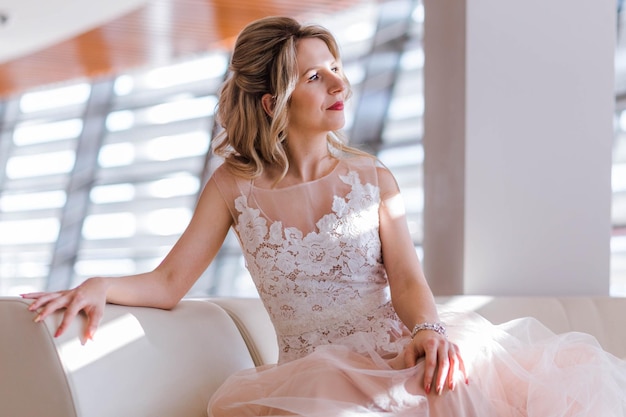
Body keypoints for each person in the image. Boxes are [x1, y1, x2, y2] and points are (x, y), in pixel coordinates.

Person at [22, 16, 626, 417]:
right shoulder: (234, 185)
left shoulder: (373, 179)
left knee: (450, 392)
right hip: (310, 376)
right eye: (315, 75)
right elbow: (170, 281)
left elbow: (410, 283)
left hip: (397, 351)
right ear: (273, 101)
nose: (339, 82)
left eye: (336, 66)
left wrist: (430, 332)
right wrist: (100, 284)